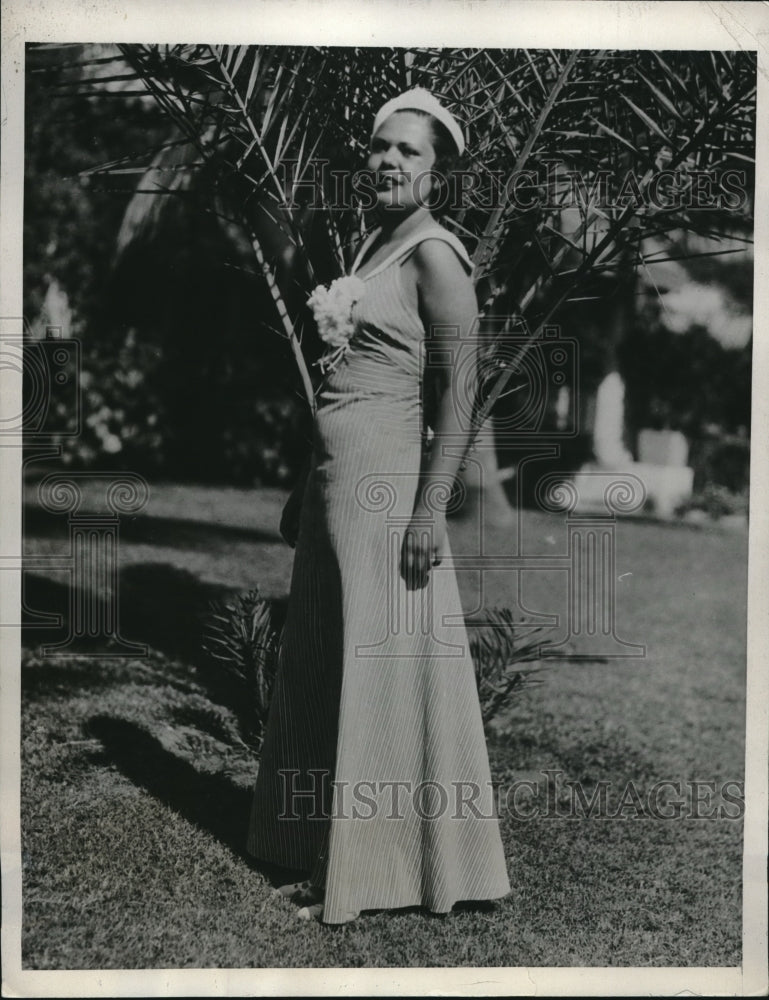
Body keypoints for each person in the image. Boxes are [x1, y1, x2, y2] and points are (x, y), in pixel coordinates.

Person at [247, 88, 511, 924]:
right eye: (379, 147)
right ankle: (332, 855)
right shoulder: (373, 242)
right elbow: (341, 384)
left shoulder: (436, 255)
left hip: (390, 493)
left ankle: (385, 872)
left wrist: (429, 512)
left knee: (383, 677)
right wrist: (302, 486)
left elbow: (458, 391)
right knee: (330, 664)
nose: (389, 161)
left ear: (438, 172)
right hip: (335, 488)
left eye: (409, 151)